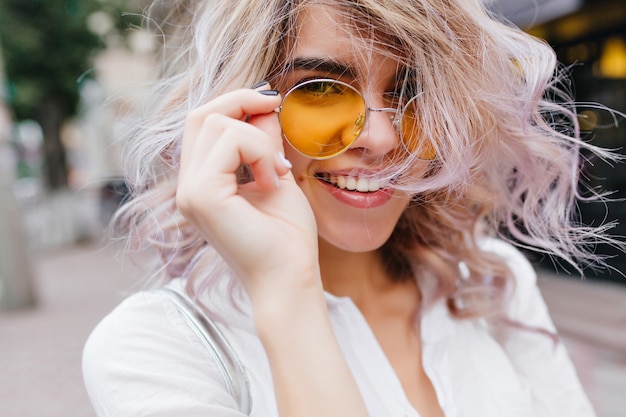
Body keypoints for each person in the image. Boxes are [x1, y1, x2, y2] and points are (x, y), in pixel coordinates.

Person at [82, 0, 620, 416]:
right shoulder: (158, 348)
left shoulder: (492, 282)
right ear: (237, 110)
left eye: (414, 90)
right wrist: (285, 292)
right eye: (321, 91)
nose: (383, 138)